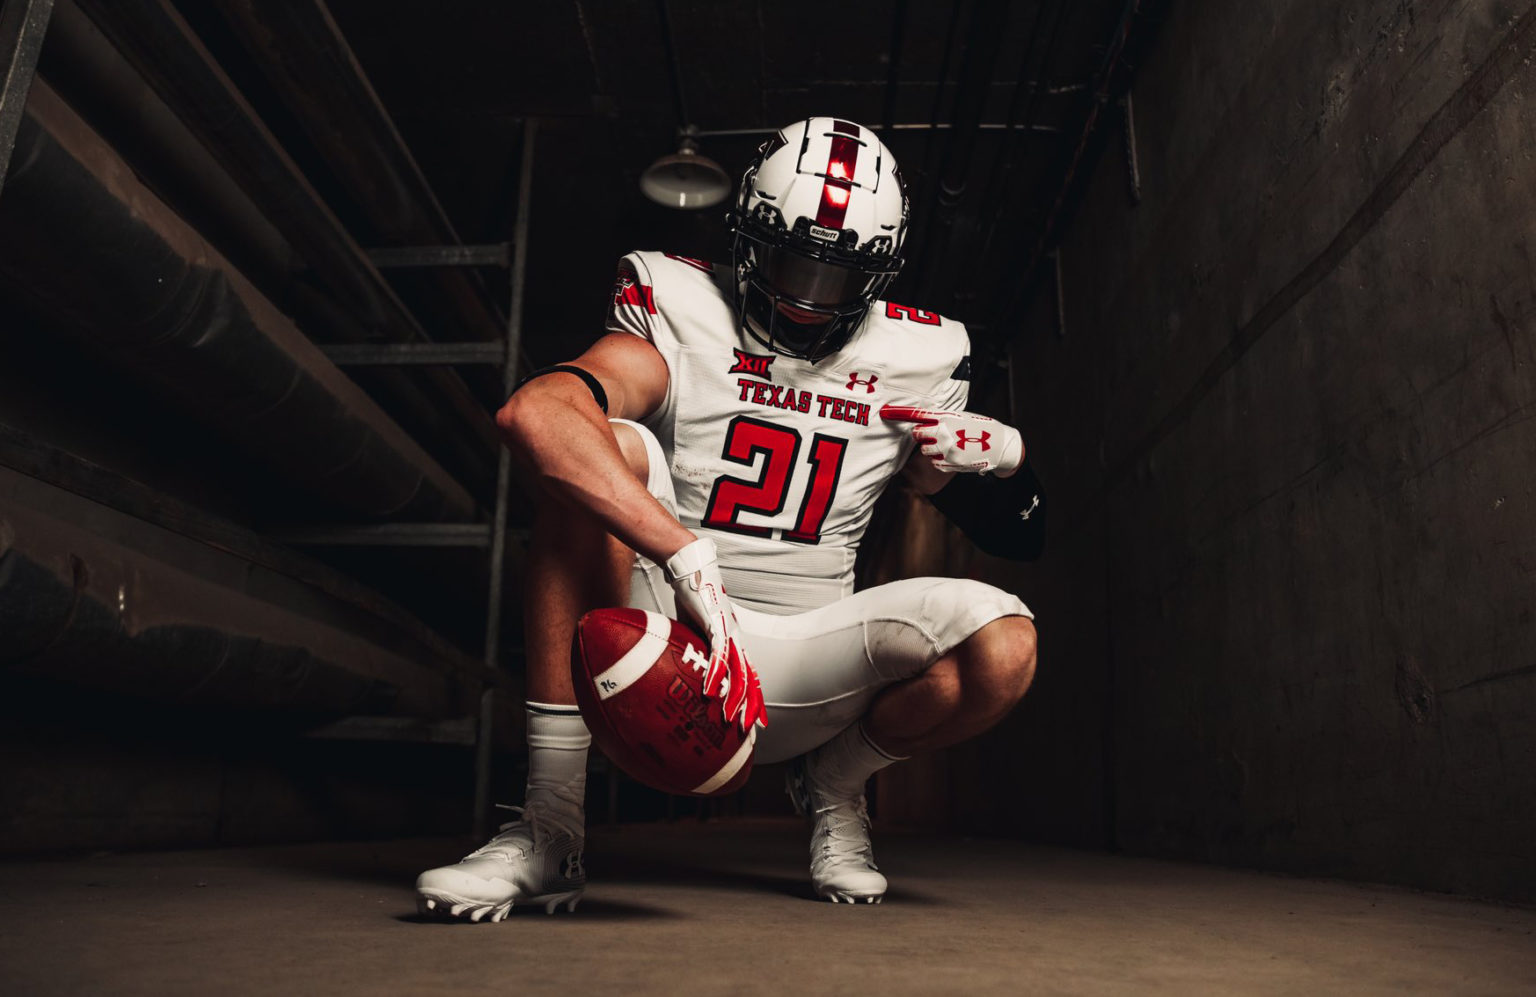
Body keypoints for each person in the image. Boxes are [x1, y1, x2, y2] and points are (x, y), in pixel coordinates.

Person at [416, 117, 1046, 919]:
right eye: (792, 262)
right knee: (603, 447)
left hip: (812, 664)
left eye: (839, 276)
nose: (810, 300)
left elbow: (1023, 535)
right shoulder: (681, 309)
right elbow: (538, 415)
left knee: (1006, 647)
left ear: (879, 275)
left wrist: (1004, 462)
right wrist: (682, 552)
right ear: (747, 236)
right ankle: (549, 825)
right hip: (669, 627)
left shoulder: (918, 361)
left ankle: (834, 784)